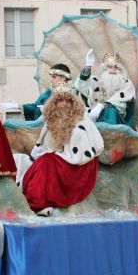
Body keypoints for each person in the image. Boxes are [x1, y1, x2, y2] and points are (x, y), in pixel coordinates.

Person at [20, 85, 104, 216]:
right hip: (61, 159)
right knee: (43, 162)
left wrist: (63, 154)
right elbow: (46, 145)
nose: (65, 104)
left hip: (80, 164)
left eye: (68, 101)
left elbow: (92, 144)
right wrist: (42, 151)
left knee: (46, 162)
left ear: (73, 102)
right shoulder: (51, 122)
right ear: (54, 103)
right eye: (61, 100)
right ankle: (36, 201)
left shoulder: (81, 119)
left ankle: (39, 203)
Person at [75, 51, 136, 126]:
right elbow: (80, 86)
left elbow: (122, 106)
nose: (113, 70)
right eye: (110, 66)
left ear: (121, 70)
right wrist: (88, 66)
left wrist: (102, 105)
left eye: (116, 67)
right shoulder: (95, 80)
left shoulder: (126, 83)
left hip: (116, 120)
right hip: (95, 118)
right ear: (104, 68)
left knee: (111, 111)